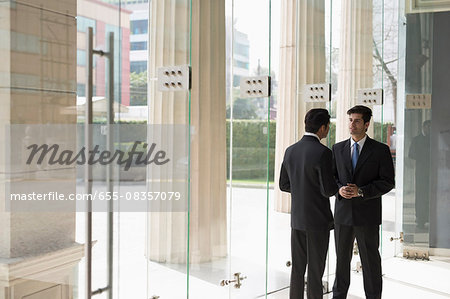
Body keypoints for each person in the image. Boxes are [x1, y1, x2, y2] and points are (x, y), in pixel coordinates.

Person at [331, 105, 395, 299]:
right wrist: (339, 189)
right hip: (342, 215)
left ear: (366, 124)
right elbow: (331, 178)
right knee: (341, 261)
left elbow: (387, 182)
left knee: (370, 262)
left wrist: (362, 192)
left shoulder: (380, 150)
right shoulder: (337, 148)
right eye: (350, 120)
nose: (352, 124)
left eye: (357, 120)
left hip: (367, 215)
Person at [279, 108, 339, 299]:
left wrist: (301, 190)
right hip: (318, 222)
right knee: (315, 271)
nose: (328, 130)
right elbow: (328, 190)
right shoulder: (323, 153)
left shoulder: (290, 150)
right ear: (323, 127)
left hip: (297, 220)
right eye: (328, 127)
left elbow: (283, 184)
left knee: (297, 269)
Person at [408, 120, 431, 229]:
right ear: (424, 127)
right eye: (428, 127)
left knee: (430, 194)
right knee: (421, 194)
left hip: (431, 170)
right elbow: (411, 154)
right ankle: (420, 218)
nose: (429, 129)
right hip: (421, 170)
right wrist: (423, 155)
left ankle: (429, 216)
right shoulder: (417, 140)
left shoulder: (433, 139)